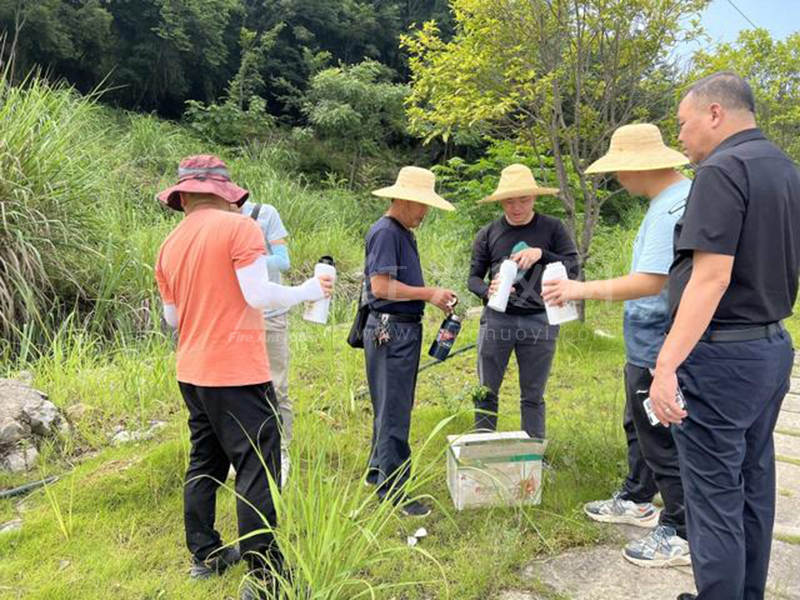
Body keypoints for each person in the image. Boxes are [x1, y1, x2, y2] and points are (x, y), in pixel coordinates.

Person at [648, 72, 800, 600]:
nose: (681, 137)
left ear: (715, 113)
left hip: (720, 356)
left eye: (683, 124)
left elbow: (711, 277)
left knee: (713, 495)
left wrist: (666, 366)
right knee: (753, 484)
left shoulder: (722, 169)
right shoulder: (785, 168)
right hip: (770, 347)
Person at [154, 155, 334, 600]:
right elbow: (257, 293)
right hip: (236, 372)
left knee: (205, 461)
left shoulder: (169, 244)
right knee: (256, 467)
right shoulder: (239, 228)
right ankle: (267, 578)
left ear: (184, 197)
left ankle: (206, 555)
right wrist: (308, 291)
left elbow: (172, 319)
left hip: (192, 371)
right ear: (224, 193)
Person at [543, 123, 692, 568]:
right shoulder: (676, 198)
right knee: (640, 425)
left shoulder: (669, 210)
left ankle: (681, 530)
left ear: (636, 166)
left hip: (658, 341)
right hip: (649, 338)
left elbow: (651, 281)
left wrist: (579, 290)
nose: (616, 179)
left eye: (617, 170)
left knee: (661, 435)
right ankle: (638, 497)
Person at [363, 166, 457, 517]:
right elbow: (380, 287)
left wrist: (430, 297)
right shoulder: (386, 232)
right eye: (421, 204)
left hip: (399, 329)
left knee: (389, 405)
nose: (425, 212)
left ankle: (378, 470)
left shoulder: (401, 232)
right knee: (395, 411)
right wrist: (429, 293)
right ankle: (394, 491)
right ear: (401, 199)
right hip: (392, 332)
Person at [468, 164, 578, 440]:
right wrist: (487, 290)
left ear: (535, 197)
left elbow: (573, 268)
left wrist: (542, 253)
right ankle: (483, 447)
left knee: (533, 394)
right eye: (509, 201)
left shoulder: (553, 228)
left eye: (524, 200)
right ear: (500, 201)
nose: (516, 207)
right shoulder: (489, 233)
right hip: (497, 318)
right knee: (486, 390)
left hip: (540, 319)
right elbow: (473, 278)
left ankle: (533, 453)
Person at [239, 199, 294, 484]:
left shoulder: (264, 214)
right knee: (239, 388)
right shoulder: (217, 221)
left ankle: (280, 452)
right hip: (236, 316)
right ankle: (246, 453)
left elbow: (283, 261)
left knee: (276, 387)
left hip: (270, 315)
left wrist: (244, 262)